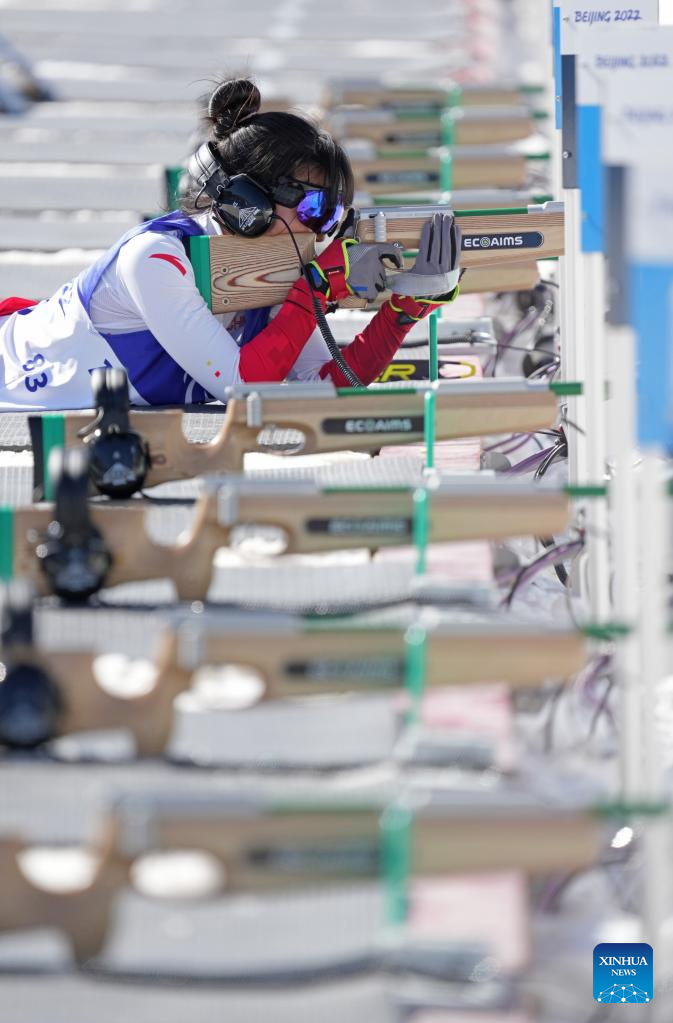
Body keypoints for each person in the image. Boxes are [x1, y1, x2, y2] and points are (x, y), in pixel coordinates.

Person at [0, 78, 461, 411]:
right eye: (312, 206)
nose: (320, 231)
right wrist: (316, 289)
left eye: (330, 214)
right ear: (249, 200)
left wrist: (403, 312)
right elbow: (241, 388)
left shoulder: (271, 270)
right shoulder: (154, 259)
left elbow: (325, 386)